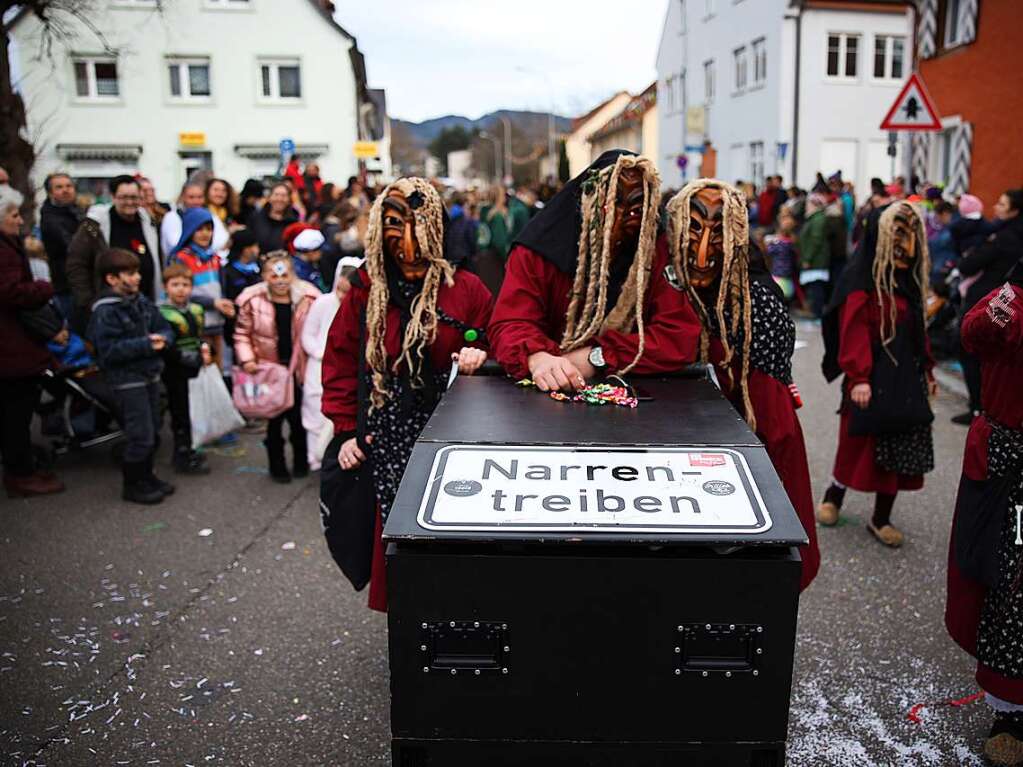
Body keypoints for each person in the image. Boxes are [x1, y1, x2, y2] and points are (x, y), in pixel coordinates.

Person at [322, 177, 492, 612]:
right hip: (390, 432)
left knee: (455, 525)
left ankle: (460, 614)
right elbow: (340, 363)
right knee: (399, 532)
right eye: (397, 225)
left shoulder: (466, 289)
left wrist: (479, 354)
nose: (409, 244)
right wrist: (345, 432)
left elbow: (498, 337)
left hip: (455, 431)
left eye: (419, 225)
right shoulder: (366, 293)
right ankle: (409, 620)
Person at [665, 180, 820, 591]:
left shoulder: (756, 303)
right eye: (693, 230)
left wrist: (757, 494)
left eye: (717, 234)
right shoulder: (667, 287)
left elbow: (771, 419)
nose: (701, 253)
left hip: (745, 466)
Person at [488, 150, 702, 389]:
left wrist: (598, 357)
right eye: (611, 203)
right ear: (587, 200)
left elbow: (678, 335)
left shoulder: (652, 252)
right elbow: (510, 322)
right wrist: (537, 357)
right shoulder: (538, 250)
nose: (621, 218)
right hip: (544, 394)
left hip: (631, 399)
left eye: (634, 208)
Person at [818, 201, 937, 547]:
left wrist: (927, 370)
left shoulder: (909, 283)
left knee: (896, 450)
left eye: (911, 233)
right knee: (855, 444)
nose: (904, 242)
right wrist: (858, 377)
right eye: (897, 232)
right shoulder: (863, 280)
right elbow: (852, 328)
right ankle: (833, 497)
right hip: (869, 381)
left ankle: (881, 517)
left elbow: (919, 332)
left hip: (904, 382)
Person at [944, 267, 1023, 765]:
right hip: (1015, 473)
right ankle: (1012, 712)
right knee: (1014, 579)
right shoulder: (1012, 296)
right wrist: (1009, 305)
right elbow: (975, 335)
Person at [87, 248, 175, 505]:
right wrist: (147, 344)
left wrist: (164, 339)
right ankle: (133, 484)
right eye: (129, 273)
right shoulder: (105, 311)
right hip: (127, 379)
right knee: (140, 434)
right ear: (111, 279)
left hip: (149, 374)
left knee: (154, 428)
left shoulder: (141, 300)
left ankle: (148, 477)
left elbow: (163, 326)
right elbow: (109, 351)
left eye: (136, 272)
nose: (136, 278)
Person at [0, 184, 65, 498]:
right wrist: (43, 288)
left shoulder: (8, 245)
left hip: (14, 344)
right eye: (13, 215)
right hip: (12, 347)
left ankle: (21, 467)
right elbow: (11, 292)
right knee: (16, 414)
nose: (19, 221)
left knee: (17, 413)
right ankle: (19, 474)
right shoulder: (3, 250)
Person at [233, 253, 320, 482]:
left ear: (293, 275)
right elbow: (242, 333)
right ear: (264, 277)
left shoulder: (307, 299)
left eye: (285, 274)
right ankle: (277, 466)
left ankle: (301, 462)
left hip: (297, 371)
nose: (280, 280)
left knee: (299, 421)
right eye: (274, 274)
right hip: (268, 372)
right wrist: (247, 359)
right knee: (273, 423)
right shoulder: (253, 301)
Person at [953, 189, 1023, 426]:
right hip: (1009, 302)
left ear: (1015, 210)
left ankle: (979, 408)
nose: (996, 207)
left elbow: (970, 264)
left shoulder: (1003, 237)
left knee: (974, 349)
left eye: (1003, 204)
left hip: (994, 300)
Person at [66, 175, 162, 333]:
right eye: (123, 197)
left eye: (133, 197)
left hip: (145, 303)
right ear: (113, 197)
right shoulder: (94, 226)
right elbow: (76, 264)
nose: (129, 202)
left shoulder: (149, 222)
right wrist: (87, 302)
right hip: (109, 308)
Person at [300, 257, 361, 470]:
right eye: (339, 290)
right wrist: (320, 353)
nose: (342, 296)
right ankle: (313, 459)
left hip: (344, 368)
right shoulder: (323, 303)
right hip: (318, 366)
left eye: (347, 291)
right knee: (314, 415)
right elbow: (307, 334)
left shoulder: (360, 305)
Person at [158, 263, 211, 475]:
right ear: (165, 287)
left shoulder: (197, 309)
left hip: (195, 366)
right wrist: (188, 357)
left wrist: (205, 348)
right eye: (175, 284)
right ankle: (182, 454)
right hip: (175, 369)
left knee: (194, 410)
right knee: (179, 412)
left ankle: (191, 447)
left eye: (185, 284)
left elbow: (199, 336)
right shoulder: (162, 313)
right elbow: (166, 347)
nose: (181, 289)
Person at [170, 207, 235, 368]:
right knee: (199, 370)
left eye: (209, 229)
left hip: (216, 322)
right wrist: (213, 303)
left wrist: (224, 304)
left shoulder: (215, 258)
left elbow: (221, 288)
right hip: (195, 324)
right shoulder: (181, 258)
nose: (205, 234)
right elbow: (181, 292)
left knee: (216, 369)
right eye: (199, 229)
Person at [39, 172, 81, 317]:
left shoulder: (76, 211)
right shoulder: (51, 219)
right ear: (50, 193)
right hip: (67, 286)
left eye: (69, 186)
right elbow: (73, 247)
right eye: (59, 187)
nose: (66, 190)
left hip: (81, 282)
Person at [159, 182, 229, 260]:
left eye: (200, 197)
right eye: (191, 197)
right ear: (183, 197)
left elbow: (223, 240)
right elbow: (175, 243)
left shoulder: (210, 215)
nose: (196, 201)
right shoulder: (172, 217)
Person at [222, 228, 262, 352]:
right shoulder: (228, 272)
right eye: (255, 246)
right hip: (237, 328)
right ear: (246, 249)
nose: (257, 250)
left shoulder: (259, 269)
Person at [797, 192, 833, 318]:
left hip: (816, 259)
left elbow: (815, 240)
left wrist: (807, 258)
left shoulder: (818, 219)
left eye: (808, 204)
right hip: (815, 258)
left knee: (816, 285)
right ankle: (814, 309)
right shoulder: (814, 218)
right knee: (814, 285)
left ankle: (816, 311)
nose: (807, 206)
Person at [248, 182, 298, 253]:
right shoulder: (256, 217)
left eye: (284, 196)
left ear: (289, 200)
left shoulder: (293, 222)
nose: (279, 199)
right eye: (276, 195)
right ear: (269, 198)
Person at [766, 204, 799, 302]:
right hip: (787, 273)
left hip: (779, 273)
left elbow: (769, 250)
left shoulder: (780, 244)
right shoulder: (790, 241)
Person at [283, 223, 326, 291]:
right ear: (311, 252)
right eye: (319, 249)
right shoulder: (298, 271)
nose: (321, 252)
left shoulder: (311, 263)